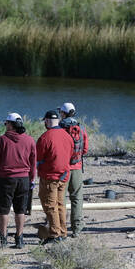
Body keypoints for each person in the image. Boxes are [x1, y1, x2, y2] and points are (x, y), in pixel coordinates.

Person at [0, 112, 35, 249]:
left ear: (10, 125)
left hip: (6, 178)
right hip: (24, 179)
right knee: (20, 210)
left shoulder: (2, 140)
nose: (5, 125)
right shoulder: (30, 140)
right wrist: (31, 179)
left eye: (6, 123)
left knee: (3, 210)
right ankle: (19, 238)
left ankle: (3, 238)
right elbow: (33, 163)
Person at [35, 109, 73, 243]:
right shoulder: (67, 136)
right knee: (60, 204)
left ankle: (55, 234)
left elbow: (38, 157)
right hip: (64, 176)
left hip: (50, 177)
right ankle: (63, 232)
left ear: (46, 121)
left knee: (50, 205)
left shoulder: (45, 137)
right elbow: (71, 154)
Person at [59, 102, 89, 236]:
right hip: (76, 167)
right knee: (77, 198)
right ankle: (77, 229)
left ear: (63, 113)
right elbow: (85, 149)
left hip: (62, 169)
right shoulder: (81, 128)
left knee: (60, 198)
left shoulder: (59, 128)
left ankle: (60, 228)